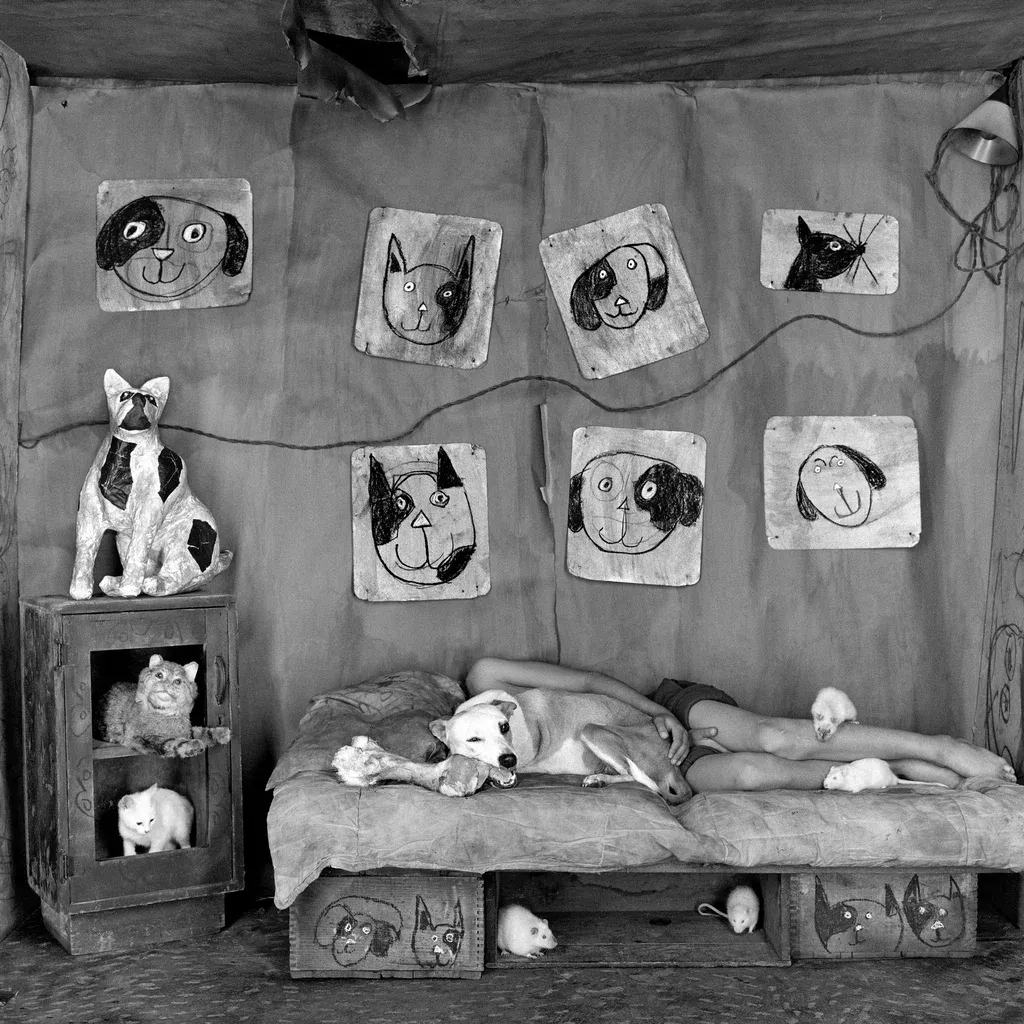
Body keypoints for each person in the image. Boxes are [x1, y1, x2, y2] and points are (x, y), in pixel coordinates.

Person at [464, 657, 1016, 793]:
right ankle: (902, 769)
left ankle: (939, 748)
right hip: (657, 761)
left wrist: (659, 714)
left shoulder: (486, 677)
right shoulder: (475, 762)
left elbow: (588, 682)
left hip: (665, 711)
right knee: (754, 772)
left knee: (774, 738)